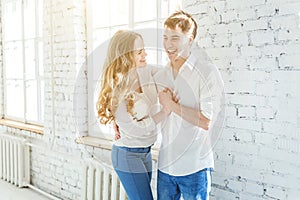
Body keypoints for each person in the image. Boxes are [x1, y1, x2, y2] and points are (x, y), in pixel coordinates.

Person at [154, 10, 225, 200]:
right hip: (165, 167)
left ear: (190, 39)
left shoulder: (206, 72)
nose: (168, 44)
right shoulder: (162, 74)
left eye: (175, 38)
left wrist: (171, 105)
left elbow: (206, 121)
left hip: (194, 167)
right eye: (166, 37)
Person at [96, 30, 170, 200]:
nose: (145, 54)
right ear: (125, 56)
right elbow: (136, 130)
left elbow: (170, 73)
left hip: (146, 152)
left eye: (144, 49)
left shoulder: (144, 71)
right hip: (127, 154)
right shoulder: (117, 90)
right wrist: (165, 111)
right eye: (139, 52)